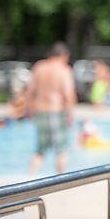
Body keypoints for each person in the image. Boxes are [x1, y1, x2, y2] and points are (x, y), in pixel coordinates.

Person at [25, 41, 77, 176]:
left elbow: (30, 91)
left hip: (40, 111)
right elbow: (68, 94)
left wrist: (29, 110)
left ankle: (30, 178)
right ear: (63, 55)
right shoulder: (64, 70)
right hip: (56, 112)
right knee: (61, 150)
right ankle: (61, 180)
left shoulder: (39, 67)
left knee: (39, 150)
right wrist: (70, 114)